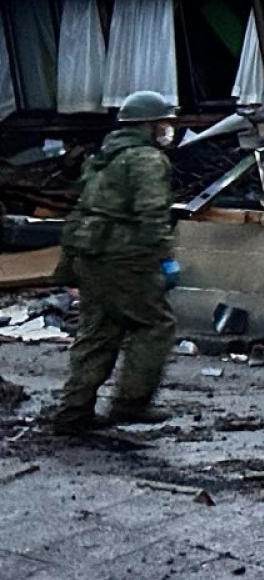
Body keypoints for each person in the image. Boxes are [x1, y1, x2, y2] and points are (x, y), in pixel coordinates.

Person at [49, 90, 179, 433]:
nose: (168, 129)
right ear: (149, 125)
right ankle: (131, 403)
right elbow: (152, 214)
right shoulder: (146, 160)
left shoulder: (105, 155)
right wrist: (164, 259)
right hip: (125, 256)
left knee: (99, 330)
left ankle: (74, 410)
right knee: (154, 325)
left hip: (90, 252)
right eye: (164, 122)